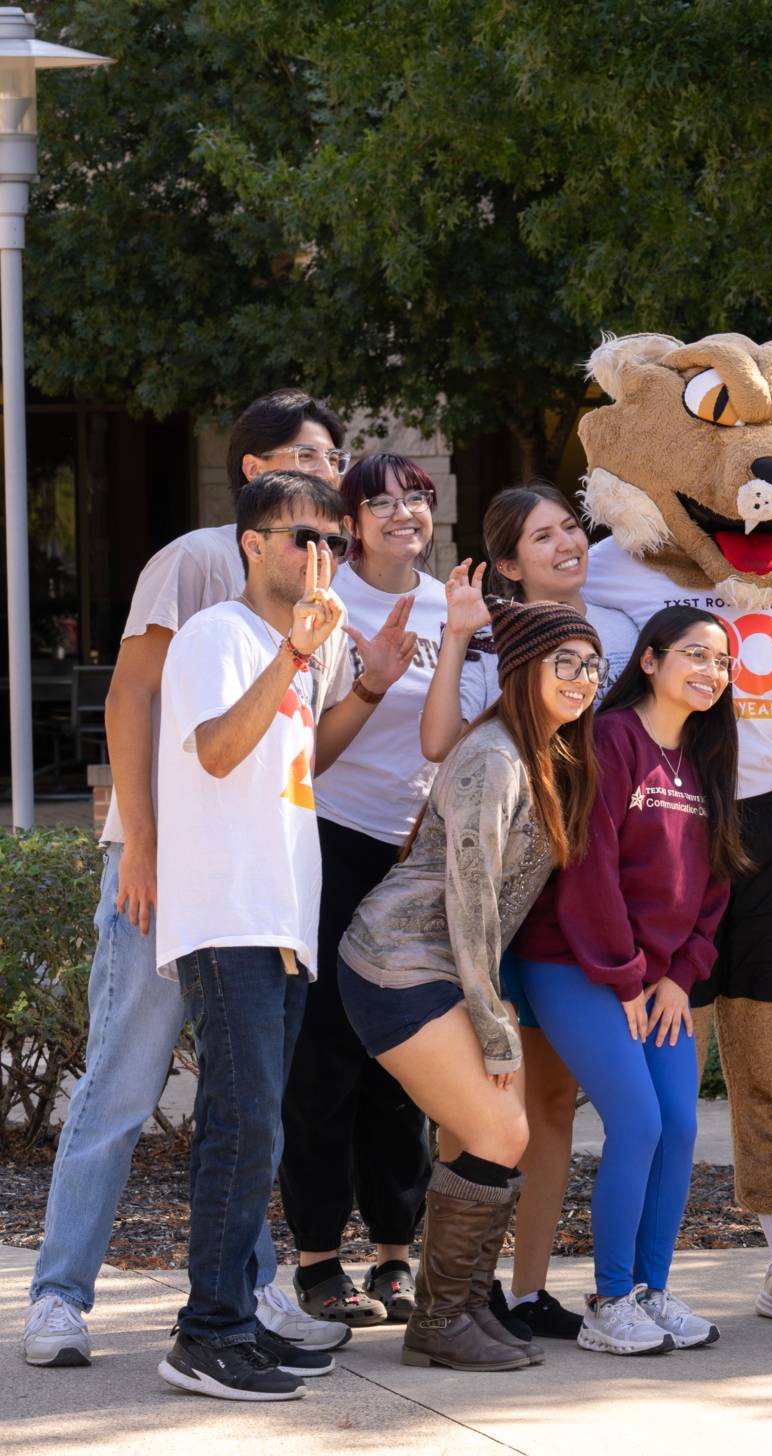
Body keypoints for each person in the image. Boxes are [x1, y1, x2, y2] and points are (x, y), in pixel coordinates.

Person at [22, 392, 358, 1370]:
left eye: (333, 458)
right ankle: (58, 1296)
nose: (327, 470)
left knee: (243, 1103)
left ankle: (247, 1290)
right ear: (252, 471)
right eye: (305, 455)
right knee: (124, 1080)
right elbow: (134, 696)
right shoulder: (198, 563)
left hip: (252, 891)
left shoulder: (316, 590)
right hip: (166, 868)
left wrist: (368, 683)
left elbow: (292, 749)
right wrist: (145, 845)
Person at [149, 472, 417, 1401]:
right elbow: (218, 750)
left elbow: (300, 764)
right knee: (241, 1128)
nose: (318, 557)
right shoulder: (217, 636)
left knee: (251, 1128)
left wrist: (369, 686)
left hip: (278, 922)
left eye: (329, 543)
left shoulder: (291, 653)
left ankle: (232, 1323)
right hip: (229, 917)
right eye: (298, 538)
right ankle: (209, 1333)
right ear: (252, 546)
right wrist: (293, 659)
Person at [580, 499, 772, 1327]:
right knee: (669, 1086)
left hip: (769, 822)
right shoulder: (617, 560)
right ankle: (647, 1278)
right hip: (669, 822)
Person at [338, 600, 603, 1370]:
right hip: (398, 961)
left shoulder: (543, 753)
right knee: (501, 1131)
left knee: (496, 1132)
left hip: (440, 964)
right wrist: (493, 1018)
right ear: (523, 670)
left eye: (592, 666)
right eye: (567, 664)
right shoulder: (495, 756)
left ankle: (451, 1310)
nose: (583, 680)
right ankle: (444, 1316)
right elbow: (473, 891)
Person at [419, 482, 630, 1343]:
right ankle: (456, 1292)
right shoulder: (488, 644)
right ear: (508, 563)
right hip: (497, 905)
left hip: (578, 899)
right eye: (541, 537)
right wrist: (460, 634)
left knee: (551, 1103)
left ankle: (527, 1287)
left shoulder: (614, 634)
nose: (565, 544)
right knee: (476, 1107)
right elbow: (441, 746)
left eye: (570, 527)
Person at [516, 607, 741, 1357]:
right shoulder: (612, 741)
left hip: (657, 981)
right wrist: (627, 978)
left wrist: (680, 975)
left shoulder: (708, 757)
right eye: (695, 655)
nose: (710, 672)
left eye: (722, 662)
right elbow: (590, 869)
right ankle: (609, 1302)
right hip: (574, 962)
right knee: (637, 1121)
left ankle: (652, 1290)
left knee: (679, 1125)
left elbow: (714, 883)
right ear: (648, 660)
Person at [278, 453, 450, 1327]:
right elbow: (299, 748)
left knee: (405, 1062)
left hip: (422, 856)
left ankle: (393, 1252)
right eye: (378, 504)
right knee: (324, 1060)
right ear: (351, 523)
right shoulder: (328, 608)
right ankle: (315, 1259)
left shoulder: (463, 606)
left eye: (414, 499)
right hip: (333, 845)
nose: (401, 515)